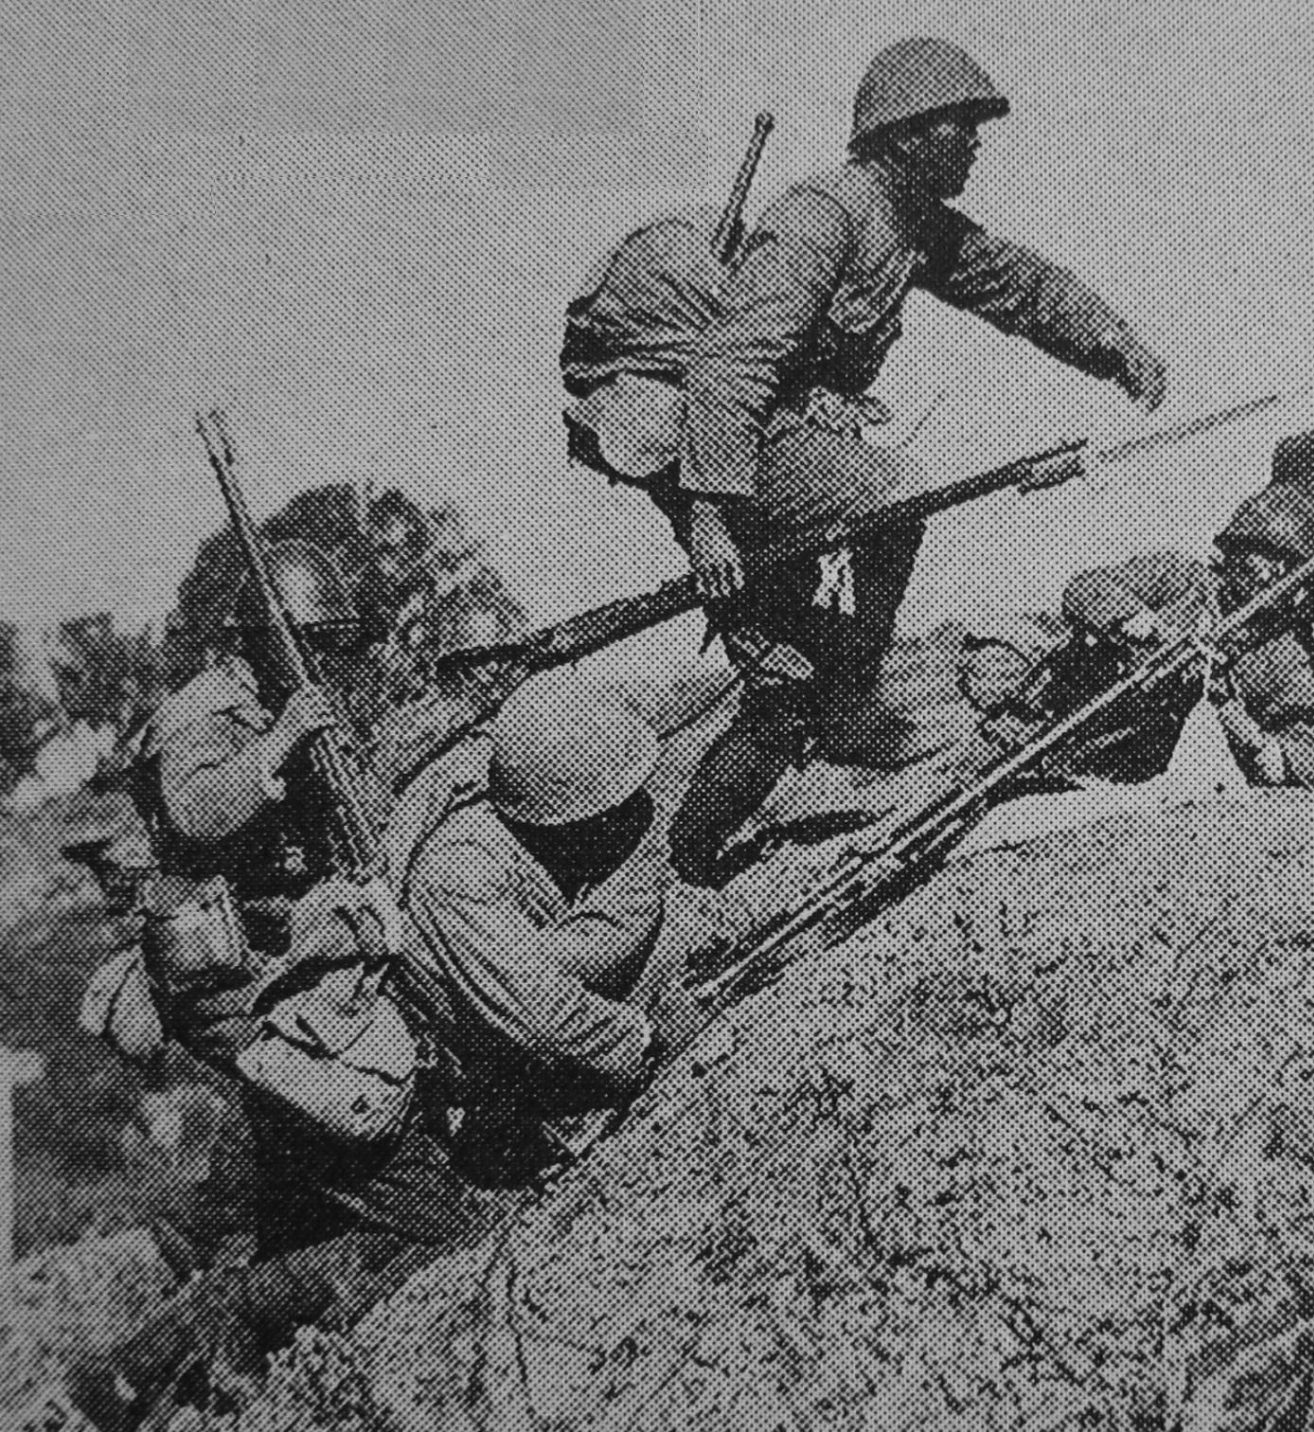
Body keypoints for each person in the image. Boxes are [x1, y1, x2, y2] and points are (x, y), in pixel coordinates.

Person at [559, 37, 1167, 884]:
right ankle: (850, 691)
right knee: (895, 493)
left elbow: (1017, 284)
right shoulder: (823, 216)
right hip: (728, 455)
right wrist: (707, 519)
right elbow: (731, 364)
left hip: (772, 450)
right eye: (961, 126)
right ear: (907, 133)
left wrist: (1110, 340)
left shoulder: (914, 227)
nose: (975, 143)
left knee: (780, 696)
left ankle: (686, 868)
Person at [68, 541, 488, 1431]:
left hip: (277, 973)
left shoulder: (265, 705)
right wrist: (285, 740)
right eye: (313, 644)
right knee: (390, 1171)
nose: (327, 663)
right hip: (228, 981)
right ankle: (229, 1318)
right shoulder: (206, 716)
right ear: (260, 638)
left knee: (289, 1161)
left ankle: (190, 1295)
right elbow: (196, 814)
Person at [386, 674, 727, 1179]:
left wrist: (541, 958)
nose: (630, 806)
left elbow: (635, 900)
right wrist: (647, 1042)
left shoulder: (603, 806)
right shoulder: (458, 871)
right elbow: (541, 1022)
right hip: (488, 1051)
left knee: (682, 924)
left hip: (541, 1000)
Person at [957, 429, 1314, 788]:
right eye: (1263, 553)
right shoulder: (1179, 577)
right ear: (1235, 549)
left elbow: (1308, 749)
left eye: (1285, 565)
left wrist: (1250, 736)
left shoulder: (1278, 653)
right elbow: (1084, 588)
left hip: (1123, 776)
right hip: (1054, 719)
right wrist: (1134, 624)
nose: (1270, 572)